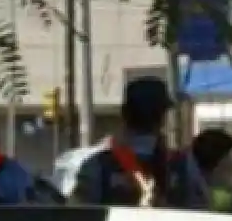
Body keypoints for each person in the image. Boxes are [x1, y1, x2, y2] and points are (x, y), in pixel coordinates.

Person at [70, 77, 200, 207]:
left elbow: (79, 214)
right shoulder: (182, 166)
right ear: (163, 118)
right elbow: (199, 211)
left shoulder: (97, 166)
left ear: (124, 115)